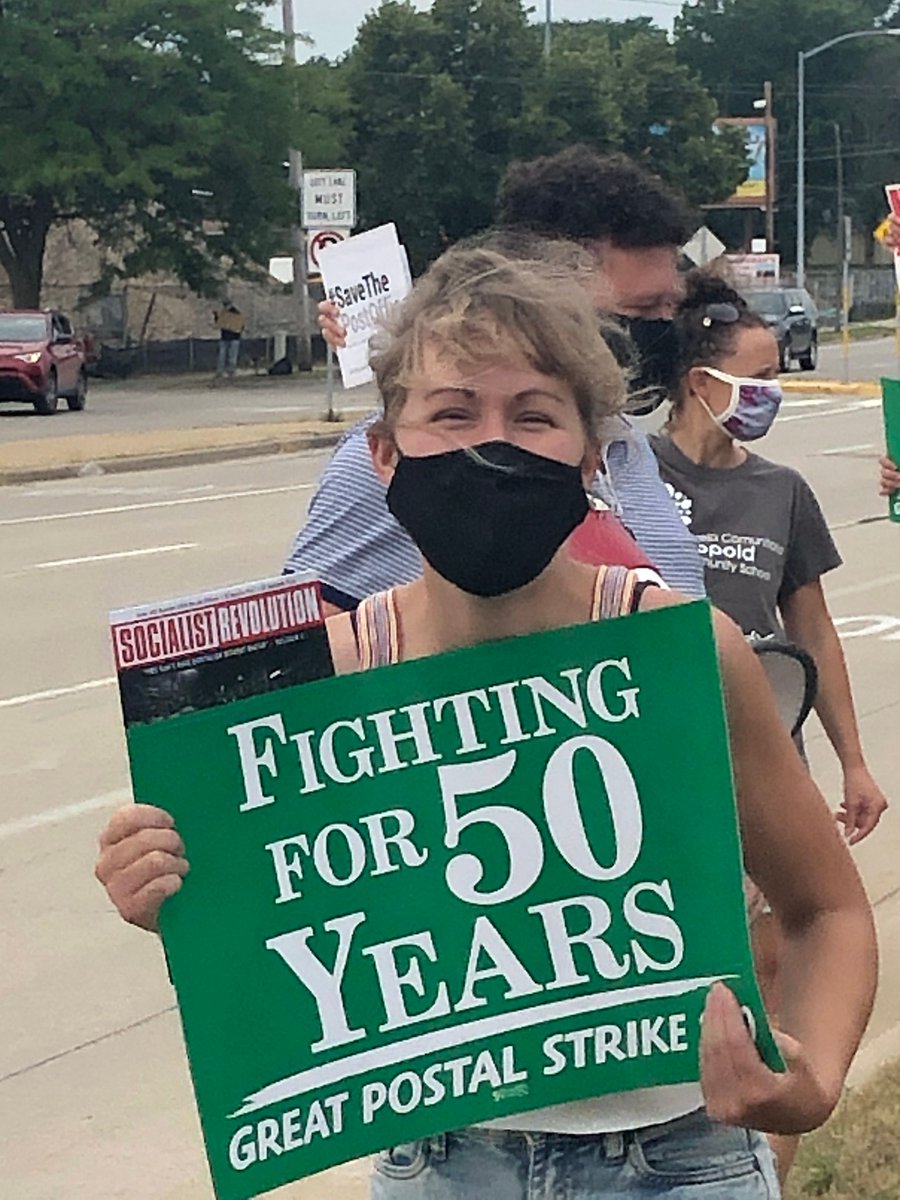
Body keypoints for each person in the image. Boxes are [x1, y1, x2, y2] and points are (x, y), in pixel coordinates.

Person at [97, 246, 876, 1200]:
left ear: (593, 460)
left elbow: (827, 909)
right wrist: (170, 890)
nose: (488, 447)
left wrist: (815, 1086)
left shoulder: (682, 653)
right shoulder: (332, 677)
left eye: (532, 416)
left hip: (676, 1157)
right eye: (452, 412)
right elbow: (275, 947)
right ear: (383, 453)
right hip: (438, 1163)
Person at [651, 272, 887, 1183]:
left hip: (759, 768)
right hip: (655, 769)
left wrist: (853, 763)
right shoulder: (634, 474)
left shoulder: (782, 492)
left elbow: (813, 629)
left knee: (766, 970)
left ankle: (765, 1171)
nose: (768, 399)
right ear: (698, 379)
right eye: (754, 381)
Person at [284, 147, 705, 606]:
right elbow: (311, 640)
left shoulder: (624, 445)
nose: (663, 329)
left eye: (670, 307)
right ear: (546, 296)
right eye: (643, 309)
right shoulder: (416, 455)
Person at [213, 299, 244, 381]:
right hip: (227, 338)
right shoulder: (224, 314)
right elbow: (219, 323)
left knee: (230, 356)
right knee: (223, 356)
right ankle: (222, 371)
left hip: (232, 338)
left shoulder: (234, 313)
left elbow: (240, 325)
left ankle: (230, 371)